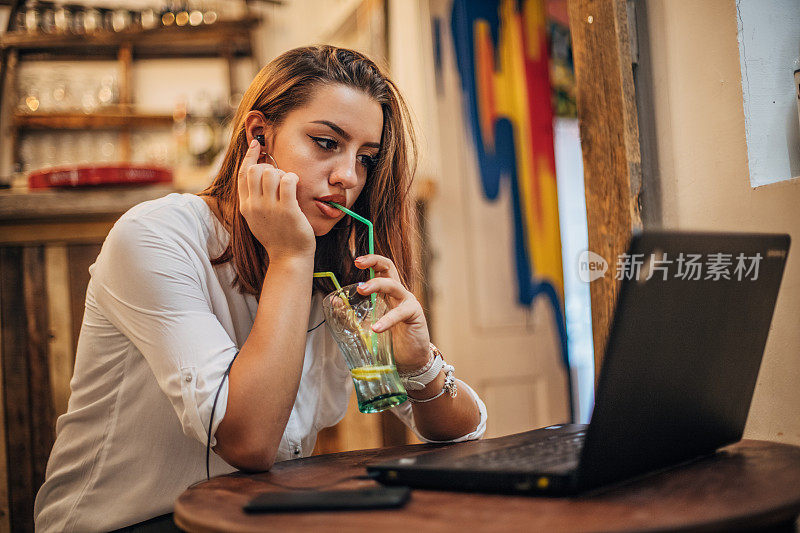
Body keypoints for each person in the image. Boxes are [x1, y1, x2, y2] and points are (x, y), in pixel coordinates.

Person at [34, 45, 487, 532]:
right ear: (259, 136)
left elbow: (462, 430)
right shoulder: (156, 237)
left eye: (366, 158)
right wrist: (290, 258)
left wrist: (420, 365)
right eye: (326, 143)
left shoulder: (339, 261)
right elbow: (248, 443)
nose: (348, 177)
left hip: (252, 516)